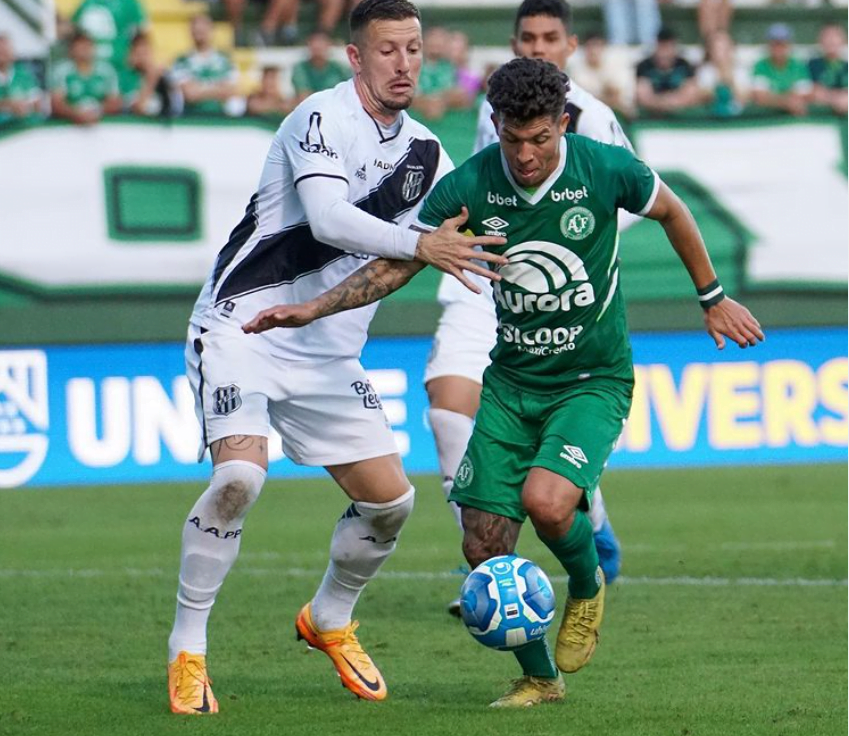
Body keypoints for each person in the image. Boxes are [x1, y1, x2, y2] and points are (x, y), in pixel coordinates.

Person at [242, 56, 764, 708]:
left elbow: (674, 211)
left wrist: (711, 297)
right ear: (495, 124)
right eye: (513, 139)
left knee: (548, 503)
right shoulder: (470, 186)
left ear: (562, 123)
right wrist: (315, 308)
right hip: (512, 384)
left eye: (539, 139)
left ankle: (586, 585)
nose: (525, 155)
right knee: (482, 542)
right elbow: (401, 262)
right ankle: (541, 678)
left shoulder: (606, 168)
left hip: (591, 378)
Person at [166, 0, 506, 715]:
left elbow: (432, 250)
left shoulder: (428, 155)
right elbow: (327, 220)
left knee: (390, 503)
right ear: (355, 57)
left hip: (327, 350)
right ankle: (187, 650)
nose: (404, 64)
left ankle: (328, 618)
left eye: (413, 49)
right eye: (387, 50)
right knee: (238, 478)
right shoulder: (318, 118)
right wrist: (421, 242)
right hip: (243, 326)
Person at [444, 0, 633, 617]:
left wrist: (560, 243)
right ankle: (490, 561)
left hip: (558, 288)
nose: (538, 47)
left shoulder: (594, 120)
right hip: (482, 278)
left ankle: (585, 517)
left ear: (570, 45)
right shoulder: (495, 108)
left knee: (550, 487)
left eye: (551, 37)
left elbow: (630, 200)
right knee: (446, 412)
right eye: (528, 37)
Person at [171, 14, 243, 117]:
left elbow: (232, 90)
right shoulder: (181, 61)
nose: (199, 33)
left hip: (221, 117)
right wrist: (218, 89)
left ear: (211, 30)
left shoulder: (226, 60)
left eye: (202, 30)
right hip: (192, 117)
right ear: (190, 32)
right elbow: (189, 94)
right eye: (196, 30)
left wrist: (200, 89)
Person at [50, 29, 122, 125]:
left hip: (100, 126)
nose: (84, 48)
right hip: (69, 127)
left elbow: (115, 101)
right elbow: (57, 103)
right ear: (71, 49)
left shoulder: (106, 70)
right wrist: (75, 114)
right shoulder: (62, 71)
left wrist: (97, 112)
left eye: (88, 45)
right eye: (80, 45)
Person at [636, 26, 703, 116]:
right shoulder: (644, 66)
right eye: (662, 47)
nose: (665, 53)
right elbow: (643, 96)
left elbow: (691, 94)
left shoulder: (685, 66)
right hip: (651, 118)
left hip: (681, 117)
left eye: (668, 47)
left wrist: (665, 102)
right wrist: (665, 102)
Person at [750, 23, 812, 117]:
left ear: (789, 45)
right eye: (775, 44)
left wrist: (773, 98)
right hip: (767, 119)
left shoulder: (798, 66)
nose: (778, 48)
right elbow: (760, 97)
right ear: (769, 45)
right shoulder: (760, 66)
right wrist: (786, 102)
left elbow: (804, 95)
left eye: (782, 44)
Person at [71, 0, 148, 74]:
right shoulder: (87, 3)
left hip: (120, 65)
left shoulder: (129, 3)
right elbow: (74, 31)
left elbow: (141, 35)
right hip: (91, 69)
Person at [120, 31, 174, 117]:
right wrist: (151, 79)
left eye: (145, 52)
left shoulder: (163, 77)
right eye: (139, 53)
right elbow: (139, 108)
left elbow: (175, 105)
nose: (143, 57)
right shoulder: (126, 78)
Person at [696, 30, 748, 117]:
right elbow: (703, 97)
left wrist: (730, 80)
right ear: (710, 51)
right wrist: (720, 78)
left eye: (724, 48)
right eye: (716, 49)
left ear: (731, 49)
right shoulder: (705, 71)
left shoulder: (741, 71)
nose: (720, 53)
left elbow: (744, 97)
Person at [291, 31, 350, 103]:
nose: (317, 46)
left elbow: (350, 88)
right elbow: (303, 95)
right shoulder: (301, 68)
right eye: (314, 42)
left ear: (328, 45)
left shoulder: (339, 68)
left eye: (321, 42)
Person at [0, 34, 43, 123]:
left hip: (24, 125)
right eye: (1, 51)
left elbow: (37, 101)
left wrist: (27, 106)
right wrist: (8, 105)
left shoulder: (24, 74)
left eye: (6, 50)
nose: (3, 54)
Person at [808, 24, 848, 116]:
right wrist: (836, 99)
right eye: (827, 36)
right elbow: (814, 93)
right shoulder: (812, 65)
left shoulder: (846, 66)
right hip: (819, 117)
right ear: (820, 40)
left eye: (835, 36)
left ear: (843, 40)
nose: (831, 40)